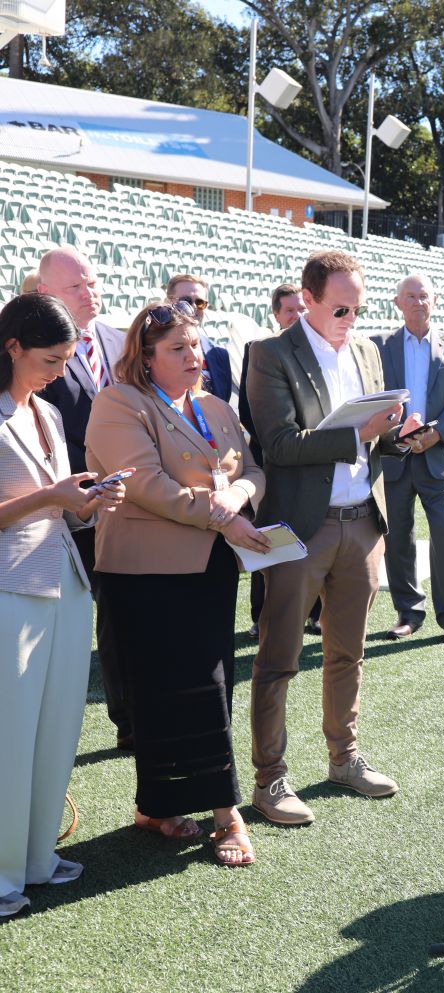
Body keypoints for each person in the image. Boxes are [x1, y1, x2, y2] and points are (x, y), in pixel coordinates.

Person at [86, 299, 268, 867]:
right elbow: (145, 484)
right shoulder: (119, 402)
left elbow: (252, 469)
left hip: (210, 568)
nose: (194, 357)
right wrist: (223, 516)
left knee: (212, 686)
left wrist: (239, 495)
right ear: (146, 357)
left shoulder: (214, 405)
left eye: (195, 345)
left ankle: (158, 807)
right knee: (165, 694)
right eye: (177, 349)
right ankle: (224, 814)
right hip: (144, 575)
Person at [245, 250, 421, 826]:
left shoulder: (367, 350)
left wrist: (398, 435)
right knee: (279, 658)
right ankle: (269, 779)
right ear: (308, 300)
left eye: (358, 309)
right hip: (301, 528)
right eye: (341, 309)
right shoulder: (270, 354)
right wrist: (359, 435)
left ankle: (344, 759)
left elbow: (376, 441)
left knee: (348, 653)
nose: (351, 319)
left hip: (363, 523)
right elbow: (278, 445)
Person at [0, 294, 127, 918]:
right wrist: (52, 496)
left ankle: (35, 859)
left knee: (56, 730)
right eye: (50, 359)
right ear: (12, 347)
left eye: (66, 360)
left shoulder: (47, 410)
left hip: (67, 582)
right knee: (9, 735)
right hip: (11, 589)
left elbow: (57, 502)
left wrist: (84, 501)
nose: (59, 371)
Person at [35, 246, 131, 750]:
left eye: (91, 282)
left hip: (136, 502)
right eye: (75, 286)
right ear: (45, 293)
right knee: (86, 620)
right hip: (72, 511)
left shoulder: (121, 340)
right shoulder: (34, 354)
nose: (89, 292)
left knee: (129, 616)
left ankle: (134, 720)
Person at [372, 274, 444, 646]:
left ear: (435, 300)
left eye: (424, 296)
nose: (419, 302)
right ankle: (408, 613)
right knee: (397, 536)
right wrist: (398, 433)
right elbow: (372, 396)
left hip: (440, 457)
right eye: (411, 296)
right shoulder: (378, 345)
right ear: (397, 303)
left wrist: (435, 434)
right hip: (394, 456)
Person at [237, 283, 321, 640]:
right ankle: (262, 616)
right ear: (275, 314)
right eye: (290, 310)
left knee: (316, 536)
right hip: (271, 462)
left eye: (302, 309)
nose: (297, 316)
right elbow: (247, 409)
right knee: (269, 537)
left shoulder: (322, 351)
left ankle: (316, 614)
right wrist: (281, 442)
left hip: (315, 462)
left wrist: (312, 445)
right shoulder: (259, 349)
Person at [165, 274, 233, 403]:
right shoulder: (151, 348)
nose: (194, 306)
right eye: (186, 301)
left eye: (200, 302)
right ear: (168, 302)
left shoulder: (220, 354)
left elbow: (223, 403)